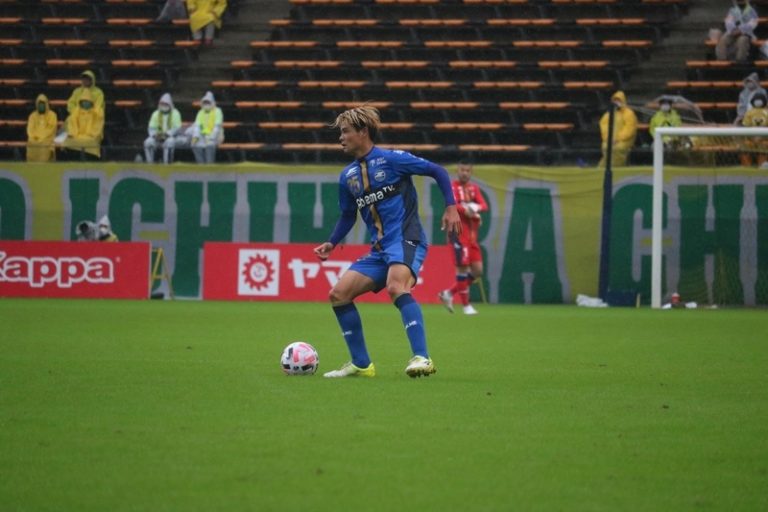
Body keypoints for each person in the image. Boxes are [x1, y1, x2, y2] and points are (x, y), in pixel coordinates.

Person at [313, 105, 462, 379]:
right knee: (338, 294)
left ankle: (422, 357)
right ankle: (361, 364)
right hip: (380, 250)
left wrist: (451, 207)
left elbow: (438, 171)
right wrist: (332, 242)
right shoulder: (347, 176)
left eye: (345, 131)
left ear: (363, 132)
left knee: (396, 286)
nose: (341, 138)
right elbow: (348, 215)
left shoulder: (392, 159)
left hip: (406, 239)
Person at [438, 159, 488, 315]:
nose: (464, 173)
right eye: (462, 170)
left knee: (478, 270)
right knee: (463, 269)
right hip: (458, 234)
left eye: (467, 170)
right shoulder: (452, 187)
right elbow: (452, 204)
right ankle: (466, 306)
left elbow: (484, 205)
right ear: (457, 171)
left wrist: (475, 207)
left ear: (471, 172)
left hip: (472, 237)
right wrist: (465, 209)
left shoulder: (474, 188)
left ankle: (449, 293)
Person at [60, 89, 104, 160]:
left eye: (87, 101)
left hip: (90, 137)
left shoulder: (97, 113)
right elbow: (72, 124)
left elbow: (97, 126)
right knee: (67, 141)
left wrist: (91, 135)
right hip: (77, 135)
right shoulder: (76, 112)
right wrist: (73, 134)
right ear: (81, 102)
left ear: (91, 102)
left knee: (91, 142)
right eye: (84, 101)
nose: (85, 103)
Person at [598, 90, 637, 168]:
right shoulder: (608, 114)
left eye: (618, 100)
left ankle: (616, 168)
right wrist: (608, 138)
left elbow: (630, 129)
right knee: (606, 147)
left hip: (625, 140)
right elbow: (603, 127)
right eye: (615, 100)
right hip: (610, 140)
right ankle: (603, 168)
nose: (616, 102)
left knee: (618, 149)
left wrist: (617, 139)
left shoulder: (629, 113)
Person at [144, 93, 182, 164]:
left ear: (170, 104)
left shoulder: (175, 113)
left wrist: (166, 135)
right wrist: (155, 135)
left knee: (169, 143)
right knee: (148, 142)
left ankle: (167, 164)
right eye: (162, 104)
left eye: (166, 104)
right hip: (157, 136)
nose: (164, 105)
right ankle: (150, 163)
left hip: (172, 136)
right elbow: (151, 127)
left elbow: (177, 128)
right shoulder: (155, 113)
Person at [190, 91, 223, 164]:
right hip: (202, 135)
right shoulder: (200, 112)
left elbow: (217, 127)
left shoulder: (218, 111)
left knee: (209, 145)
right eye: (205, 103)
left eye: (208, 102)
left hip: (215, 136)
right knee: (195, 145)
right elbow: (197, 126)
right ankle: (201, 164)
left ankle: (209, 165)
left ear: (212, 103)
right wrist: (195, 137)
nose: (206, 104)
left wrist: (211, 137)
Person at [26, 94, 58, 162]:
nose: (41, 106)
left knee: (47, 143)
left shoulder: (52, 115)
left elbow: (51, 129)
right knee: (31, 142)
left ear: (46, 104)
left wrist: (41, 137)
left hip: (48, 138)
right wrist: (36, 137)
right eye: (39, 104)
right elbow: (30, 130)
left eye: (43, 104)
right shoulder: (32, 116)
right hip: (35, 139)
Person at [740, 91, 768, 167]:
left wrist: (760, 138)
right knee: (745, 147)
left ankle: (760, 166)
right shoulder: (749, 113)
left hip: (764, 139)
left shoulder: (766, 112)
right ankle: (749, 167)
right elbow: (745, 127)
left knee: (763, 146)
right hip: (752, 138)